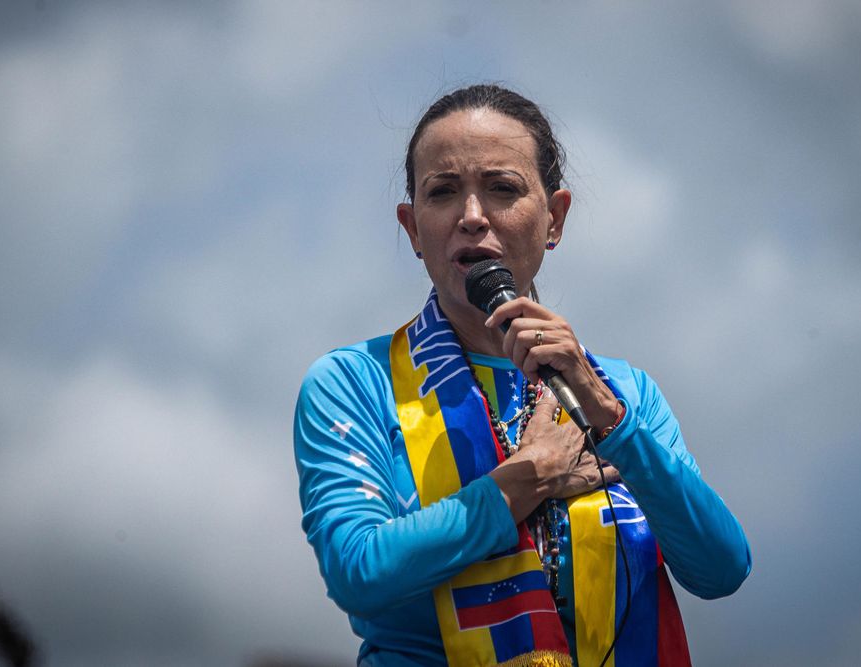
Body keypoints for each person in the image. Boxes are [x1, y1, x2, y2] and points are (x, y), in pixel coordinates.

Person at [294, 84, 751, 666]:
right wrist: (527, 478)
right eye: (443, 192)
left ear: (554, 218)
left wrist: (613, 423)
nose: (472, 217)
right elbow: (358, 571)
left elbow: (721, 569)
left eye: (503, 188)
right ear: (412, 229)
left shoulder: (626, 394)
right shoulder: (354, 383)